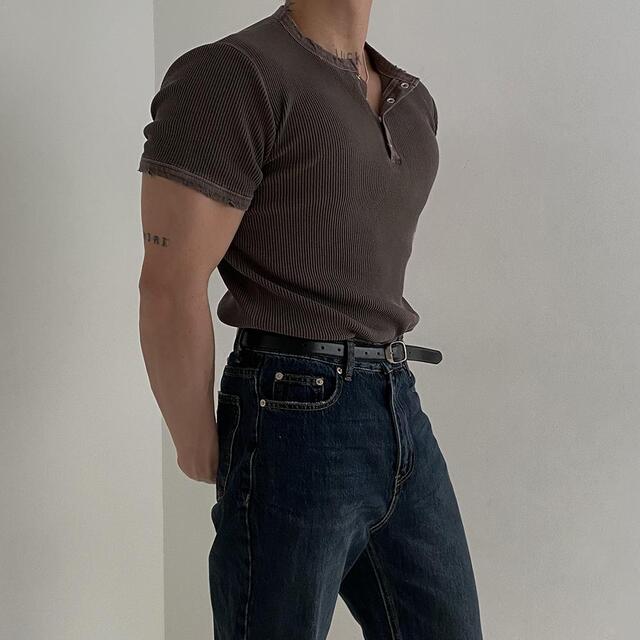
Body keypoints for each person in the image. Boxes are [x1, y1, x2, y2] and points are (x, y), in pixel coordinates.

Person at [137, 1, 483, 638]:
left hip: (397, 400)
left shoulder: (411, 102)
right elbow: (168, 284)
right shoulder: (232, 74)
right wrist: (194, 435)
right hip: (290, 406)